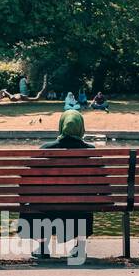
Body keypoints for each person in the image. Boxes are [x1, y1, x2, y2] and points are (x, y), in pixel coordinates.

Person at [27, 110, 95, 260]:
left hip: (47, 206)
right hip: (80, 207)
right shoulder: (90, 151)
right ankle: (80, 247)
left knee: (33, 199)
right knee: (87, 199)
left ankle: (43, 247)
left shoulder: (46, 149)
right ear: (81, 127)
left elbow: (30, 181)